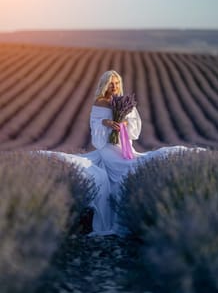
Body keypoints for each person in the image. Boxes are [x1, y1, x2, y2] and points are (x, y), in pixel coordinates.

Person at [39, 70, 205, 236]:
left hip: (124, 146)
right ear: (105, 85)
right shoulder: (100, 102)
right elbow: (94, 126)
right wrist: (106, 123)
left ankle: (123, 214)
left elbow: (135, 127)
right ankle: (116, 216)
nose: (114, 87)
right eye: (111, 84)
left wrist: (122, 122)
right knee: (125, 170)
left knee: (134, 166)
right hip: (107, 148)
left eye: (117, 83)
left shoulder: (123, 101)